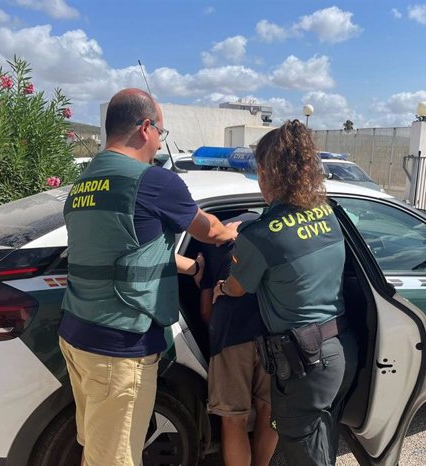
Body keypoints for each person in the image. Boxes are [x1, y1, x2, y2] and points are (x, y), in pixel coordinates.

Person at [59, 88, 238, 466]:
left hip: (77, 334)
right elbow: (212, 232)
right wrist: (236, 231)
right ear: (145, 128)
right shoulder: (153, 181)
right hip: (119, 346)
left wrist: (190, 267)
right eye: (162, 132)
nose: (160, 141)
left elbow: (123, 249)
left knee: (97, 447)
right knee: (116, 459)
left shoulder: (85, 181)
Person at [213, 120, 358, 466]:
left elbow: (236, 288)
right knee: (322, 441)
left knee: (305, 455)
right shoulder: (330, 215)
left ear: (266, 171)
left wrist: (219, 287)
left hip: (303, 364)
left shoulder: (260, 236)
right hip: (339, 352)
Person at [198, 212, 278, 466]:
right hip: (273, 333)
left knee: (234, 418)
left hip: (231, 335)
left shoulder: (212, 246)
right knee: (269, 410)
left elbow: (206, 311)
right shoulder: (272, 233)